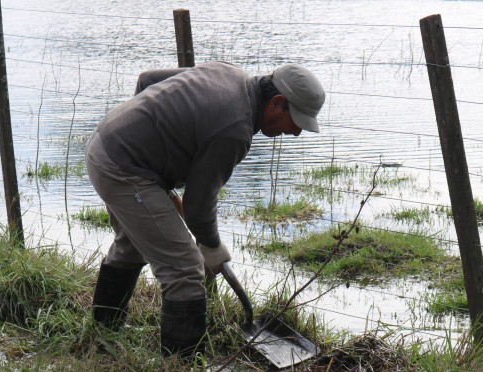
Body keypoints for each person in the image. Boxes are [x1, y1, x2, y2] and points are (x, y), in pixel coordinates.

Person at [85, 61, 326, 356]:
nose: (296, 132)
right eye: (296, 121)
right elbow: (198, 206)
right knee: (185, 270)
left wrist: (145, 138)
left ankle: (104, 334)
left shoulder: (229, 73)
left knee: (131, 245)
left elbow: (147, 80)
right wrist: (211, 245)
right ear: (277, 102)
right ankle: (181, 370)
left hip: (108, 141)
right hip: (123, 168)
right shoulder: (235, 130)